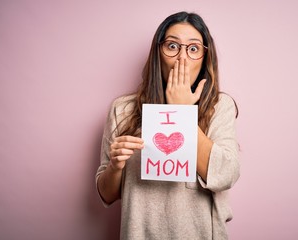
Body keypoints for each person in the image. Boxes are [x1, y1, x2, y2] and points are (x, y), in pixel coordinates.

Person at [96, 11, 240, 240]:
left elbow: (225, 174)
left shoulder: (219, 106)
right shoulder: (121, 109)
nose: (182, 58)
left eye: (193, 49)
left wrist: (182, 113)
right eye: (172, 46)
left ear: (204, 57)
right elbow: (106, 194)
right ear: (158, 52)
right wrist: (115, 166)